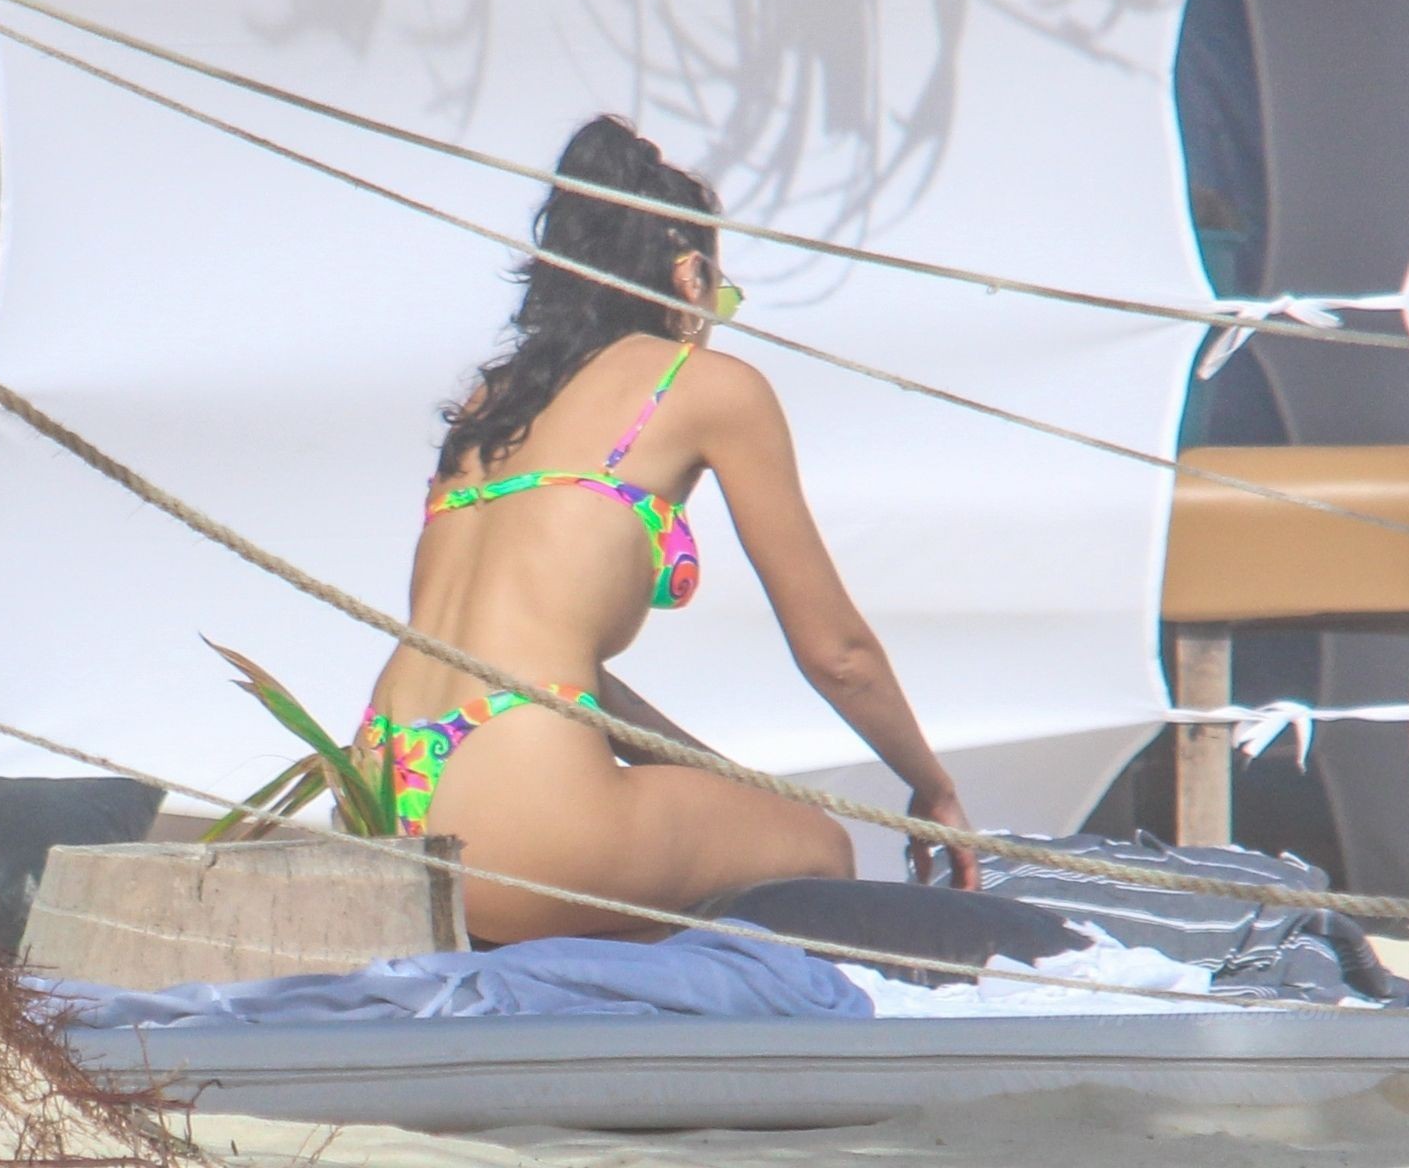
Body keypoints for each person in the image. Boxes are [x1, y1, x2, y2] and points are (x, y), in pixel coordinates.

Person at [361, 115, 978, 943]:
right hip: (527, 808)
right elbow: (838, 653)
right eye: (723, 296)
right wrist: (932, 789)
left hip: (382, 788)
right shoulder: (704, 385)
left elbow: (540, 668)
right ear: (689, 274)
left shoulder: (492, 405)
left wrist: (720, 777)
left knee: (703, 857)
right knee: (820, 852)